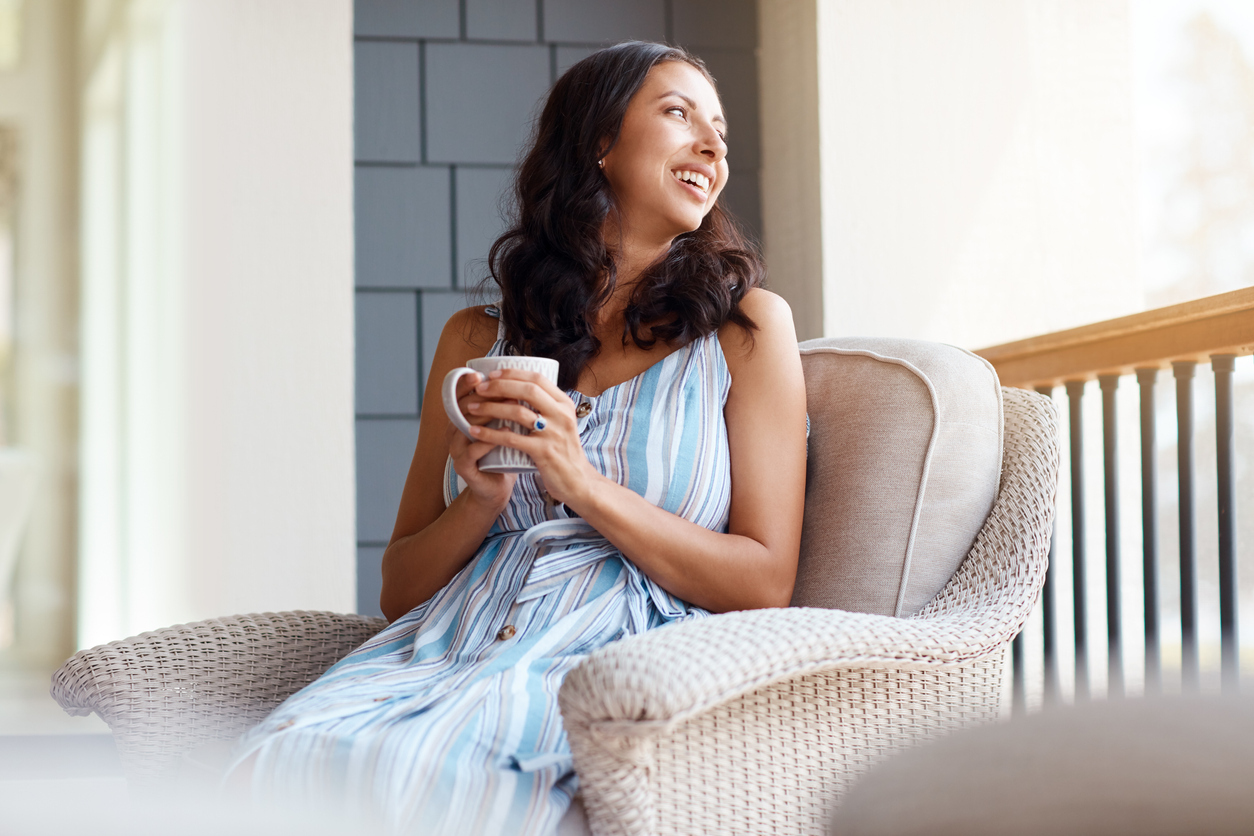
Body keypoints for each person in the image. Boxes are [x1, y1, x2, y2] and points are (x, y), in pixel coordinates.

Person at [226, 41, 807, 834]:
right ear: (599, 143)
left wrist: (581, 484)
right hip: (446, 647)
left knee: (450, 786)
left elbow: (766, 582)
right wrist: (480, 498)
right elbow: (399, 591)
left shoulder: (744, 331)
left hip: (611, 669)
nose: (711, 146)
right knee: (280, 760)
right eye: (679, 115)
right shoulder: (478, 339)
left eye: (721, 134)